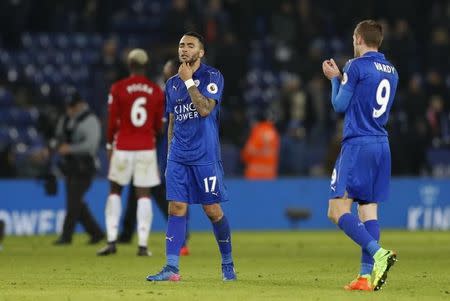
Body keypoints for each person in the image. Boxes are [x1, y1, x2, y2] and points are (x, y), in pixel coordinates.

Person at [146, 32, 236, 281]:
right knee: (176, 207)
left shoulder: (212, 76)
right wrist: (169, 157)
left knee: (212, 210)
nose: (184, 50)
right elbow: (173, 120)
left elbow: (205, 109)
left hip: (205, 156)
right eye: (181, 45)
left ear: (201, 52)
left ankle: (227, 262)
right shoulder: (172, 84)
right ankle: (172, 268)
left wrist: (189, 82)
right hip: (179, 157)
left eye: (190, 46)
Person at [322, 20, 399, 291]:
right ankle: (365, 277)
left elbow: (339, 105)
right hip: (381, 144)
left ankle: (380, 254)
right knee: (368, 210)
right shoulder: (392, 71)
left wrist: (334, 79)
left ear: (357, 38)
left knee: (336, 209)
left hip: (358, 145)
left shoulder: (355, 66)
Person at [118, 58, 191, 256]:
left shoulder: (179, 95)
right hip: (154, 152)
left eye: (167, 70)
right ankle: (126, 232)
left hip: (169, 155)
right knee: (140, 191)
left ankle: (182, 236)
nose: (165, 73)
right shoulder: (166, 93)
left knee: (168, 196)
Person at [97, 49, 164, 257]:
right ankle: (143, 245)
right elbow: (159, 126)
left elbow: (111, 122)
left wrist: (109, 145)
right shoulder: (155, 91)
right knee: (143, 195)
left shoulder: (118, 88)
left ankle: (111, 241)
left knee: (115, 191)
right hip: (145, 146)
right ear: (146, 66)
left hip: (123, 146)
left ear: (129, 65)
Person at [52, 90, 105, 245]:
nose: (70, 109)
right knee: (76, 202)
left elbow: (91, 146)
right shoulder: (66, 119)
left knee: (73, 201)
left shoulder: (90, 120)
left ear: (81, 104)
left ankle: (66, 237)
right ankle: (97, 233)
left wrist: (70, 149)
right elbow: (58, 137)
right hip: (70, 166)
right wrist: (54, 146)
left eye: (73, 106)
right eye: (68, 106)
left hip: (85, 167)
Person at [241, 110, 280, 179]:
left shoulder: (258, 130)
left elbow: (247, 153)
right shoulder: (274, 132)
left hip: (255, 174)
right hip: (270, 174)